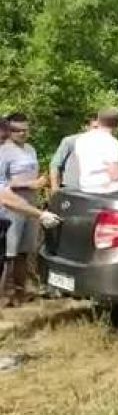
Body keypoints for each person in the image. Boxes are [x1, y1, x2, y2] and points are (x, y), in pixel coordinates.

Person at [0, 113, 48, 304]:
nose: (21, 133)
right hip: (11, 205)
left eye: (24, 130)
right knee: (9, 251)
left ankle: (22, 290)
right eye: (16, 130)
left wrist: (39, 184)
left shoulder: (30, 149)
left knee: (25, 249)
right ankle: (5, 294)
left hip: (30, 204)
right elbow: (3, 183)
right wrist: (28, 184)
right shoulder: (4, 151)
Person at [75, 107, 118, 194]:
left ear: (98, 120)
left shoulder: (81, 139)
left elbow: (79, 166)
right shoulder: (111, 142)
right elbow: (114, 174)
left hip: (85, 189)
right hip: (107, 191)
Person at [49, 113, 99, 193]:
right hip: (71, 190)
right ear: (86, 127)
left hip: (94, 191)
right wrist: (54, 188)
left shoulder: (104, 146)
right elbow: (55, 164)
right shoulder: (70, 141)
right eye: (95, 127)